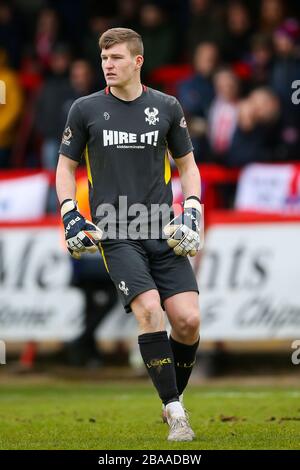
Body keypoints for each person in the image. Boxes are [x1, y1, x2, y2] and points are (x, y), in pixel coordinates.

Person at [56, 27, 203, 442]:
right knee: (149, 310)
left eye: (117, 58)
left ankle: (170, 397)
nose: (108, 65)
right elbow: (65, 168)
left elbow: (188, 166)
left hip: (163, 228)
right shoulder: (83, 109)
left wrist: (191, 209)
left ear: (138, 61)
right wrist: (70, 213)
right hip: (114, 231)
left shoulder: (167, 106)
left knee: (188, 322)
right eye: (104, 58)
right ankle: (177, 414)